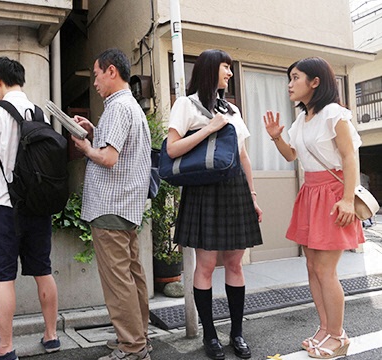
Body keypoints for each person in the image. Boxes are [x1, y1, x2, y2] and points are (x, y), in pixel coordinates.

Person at [264, 57, 364, 359]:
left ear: (315, 82)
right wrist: (276, 137)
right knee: (311, 267)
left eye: (295, 77)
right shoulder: (302, 120)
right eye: (289, 78)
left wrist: (348, 199)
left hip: (333, 195)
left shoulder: (335, 114)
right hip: (310, 193)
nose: (290, 84)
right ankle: (324, 328)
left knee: (325, 269)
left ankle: (339, 336)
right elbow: (291, 156)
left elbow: (350, 158)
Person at [166, 49, 263, 360]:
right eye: (226, 67)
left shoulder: (231, 109)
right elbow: (171, 149)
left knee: (234, 264)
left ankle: (237, 333)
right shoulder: (185, 104)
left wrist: (252, 195)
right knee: (205, 266)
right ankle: (210, 335)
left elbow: (243, 155)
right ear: (211, 69)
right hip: (203, 190)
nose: (230, 73)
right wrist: (209, 128)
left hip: (234, 190)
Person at [0, 56, 61, 360]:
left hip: (4, 207)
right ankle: (51, 335)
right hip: (37, 206)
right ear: (19, 80)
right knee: (43, 271)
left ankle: (6, 347)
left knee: (4, 278)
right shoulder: (38, 113)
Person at [71, 48, 152, 360]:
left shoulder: (118, 108)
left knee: (118, 281)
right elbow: (120, 149)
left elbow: (108, 157)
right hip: (126, 206)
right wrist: (94, 130)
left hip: (110, 206)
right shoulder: (128, 106)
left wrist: (86, 146)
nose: (94, 81)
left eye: (96, 74)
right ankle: (137, 337)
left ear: (111, 72)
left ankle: (132, 347)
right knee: (132, 276)